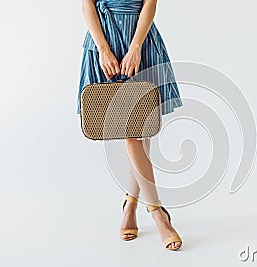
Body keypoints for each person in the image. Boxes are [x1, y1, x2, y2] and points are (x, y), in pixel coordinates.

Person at [77, 0, 183, 250]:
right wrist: (103, 48)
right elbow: (87, 4)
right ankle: (158, 213)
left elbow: (150, 3)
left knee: (141, 130)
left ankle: (131, 203)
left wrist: (136, 47)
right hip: (106, 40)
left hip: (141, 40)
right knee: (133, 133)